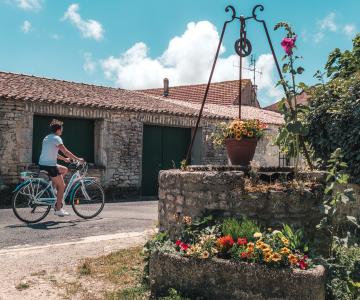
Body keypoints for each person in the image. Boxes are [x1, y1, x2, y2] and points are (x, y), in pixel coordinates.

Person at [38, 119, 84, 217]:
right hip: (50, 166)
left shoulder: (47, 137)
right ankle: (58, 209)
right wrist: (77, 159)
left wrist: (65, 160)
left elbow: (54, 152)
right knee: (62, 186)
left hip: (43, 164)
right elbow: (66, 151)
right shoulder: (57, 138)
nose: (62, 131)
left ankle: (54, 189)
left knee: (64, 169)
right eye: (61, 129)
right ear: (58, 130)